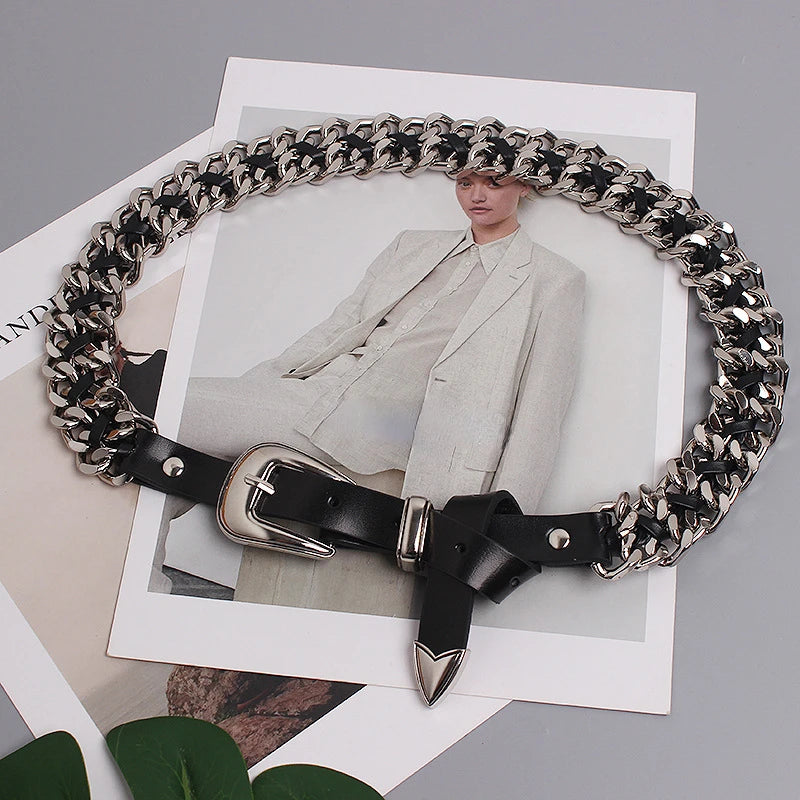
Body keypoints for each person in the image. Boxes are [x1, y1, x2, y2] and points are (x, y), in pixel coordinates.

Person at [178, 171, 586, 515]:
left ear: (525, 185)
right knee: (179, 453)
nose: (477, 196)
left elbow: (541, 411)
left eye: (493, 183)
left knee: (174, 404)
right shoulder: (412, 245)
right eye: (465, 183)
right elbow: (342, 324)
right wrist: (268, 378)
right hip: (323, 388)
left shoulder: (552, 279)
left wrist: (509, 517)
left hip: (389, 420)